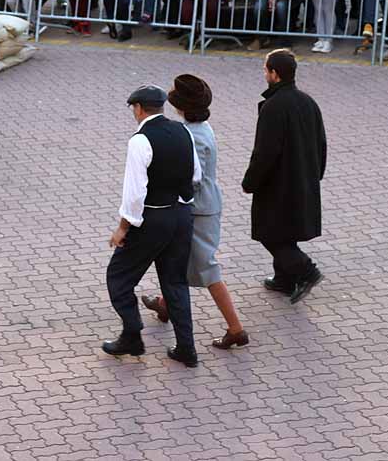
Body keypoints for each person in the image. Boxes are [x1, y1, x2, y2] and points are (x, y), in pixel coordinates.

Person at [140, 75, 247, 349]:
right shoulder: (200, 127)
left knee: (207, 268)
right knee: (178, 259)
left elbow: (192, 177)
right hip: (203, 205)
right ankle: (166, 305)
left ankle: (235, 328)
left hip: (199, 208)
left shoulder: (192, 135)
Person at [103, 84, 200, 368]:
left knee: (119, 277)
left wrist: (123, 227)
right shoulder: (184, 132)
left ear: (138, 108)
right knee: (175, 281)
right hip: (182, 214)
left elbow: (134, 193)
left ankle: (132, 335)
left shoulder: (140, 140)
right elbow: (196, 174)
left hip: (153, 218)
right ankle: (186, 348)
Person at [242, 49, 326, 304]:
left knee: (270, 232)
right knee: (285, 229)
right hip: (302, 178)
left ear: (275, 74)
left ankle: (305, 270)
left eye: (266, 70)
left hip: (278, 183)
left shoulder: (273, 107)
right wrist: (316, 173)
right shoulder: (308, 102)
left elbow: (264, 152)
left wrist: (250, 181)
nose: (264, 74)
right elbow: (321, 143)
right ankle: (285, 278)